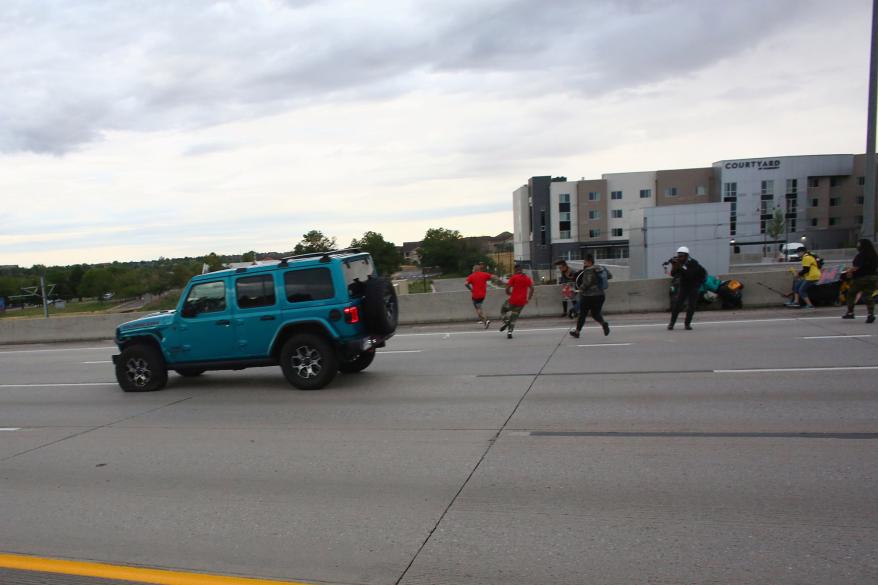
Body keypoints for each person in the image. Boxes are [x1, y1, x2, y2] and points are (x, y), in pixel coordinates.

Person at [568, 254, 610, 338]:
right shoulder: (601, 268)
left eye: (585, 262)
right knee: (595, 313)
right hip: (600, 295)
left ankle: (577, 332)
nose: (584, 264)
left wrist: (580, 289)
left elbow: (587, 283)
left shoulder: (588, 270)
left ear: (589, 262)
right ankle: (604, 324)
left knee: (582, 314)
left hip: (588, 296)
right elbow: (609, 276)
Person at [667, 246, 707, 330]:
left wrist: (680, 266)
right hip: (684, 286)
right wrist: (674, 265)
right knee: (677, 305)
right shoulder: (679, 262)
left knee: (691, 306)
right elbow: (673, 274)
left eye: (681, 255)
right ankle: (671, 323)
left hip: (694, 286)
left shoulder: (693, 263)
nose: (680, 257)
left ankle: (687, 324)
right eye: (678, 255)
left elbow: (689, 274)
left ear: (686, 256)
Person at [841, 238, 877, 323]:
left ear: (862, 245)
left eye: (858, 244)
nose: (857, 246)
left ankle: (850, 312)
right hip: (873, 277)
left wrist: (849, 271)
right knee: (868, 296)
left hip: (861, 278)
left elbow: (857, 267)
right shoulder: (874, 255)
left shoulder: (861, 255)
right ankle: (870, 314)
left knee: (851, 293)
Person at [499, 264, 534, 339]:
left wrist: (509, 293)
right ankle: (510, 332)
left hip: (513, 300)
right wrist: (529, 298)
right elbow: (532, 289)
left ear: (515, 270)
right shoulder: (527, 278)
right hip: (522, 302)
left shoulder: (513, 277)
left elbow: (507, 288)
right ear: (521, 270)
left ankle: (506, 322)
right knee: (514, 316)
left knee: (503, 310)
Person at [465, 263, 496, 328]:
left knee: (478, 310)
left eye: (472, 269)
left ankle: (486, 320)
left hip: (475, 296)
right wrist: (496, 281)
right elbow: (493, 277)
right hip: (483, 295)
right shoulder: (484, 274)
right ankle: (485, 323)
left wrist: (470, 289)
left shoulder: (471, 276)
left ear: (475, 269)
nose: (472, 270)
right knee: (479, 309)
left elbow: (466, 284)